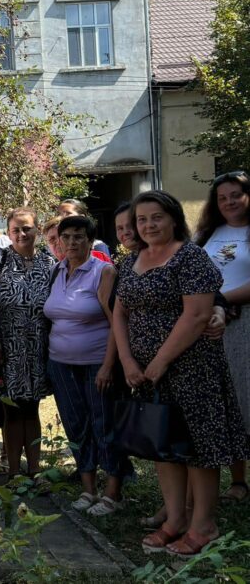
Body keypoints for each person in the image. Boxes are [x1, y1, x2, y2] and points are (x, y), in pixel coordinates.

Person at [113, 190, 249, 557]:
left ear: (173, 218)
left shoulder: (192, 258)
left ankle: (203, 525)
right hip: (144, 371)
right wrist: (127, 361)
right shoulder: (131, 261)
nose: (148, 225)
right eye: (142, 220)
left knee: (198, 449)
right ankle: (174, 520)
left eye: (156, 217)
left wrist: (159, 363)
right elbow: (120, 312)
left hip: (192, 368)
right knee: (164, 445)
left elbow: (198, 315)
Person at [42, 215, 130, 515]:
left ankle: (113, 492)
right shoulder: (56, 271)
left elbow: (116, 322)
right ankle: (88, 488)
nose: (71, 243)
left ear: (91, 241)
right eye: (65, 237)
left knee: (104, 424)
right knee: (76, 426)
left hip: (96, 363)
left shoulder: (103, 271)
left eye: (79, 237)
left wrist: (108, 365)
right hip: (61, 364)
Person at [0, 208, 56, 481]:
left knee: (33, 408)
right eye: (15, 229)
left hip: (39, 347)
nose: (21, 234)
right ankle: (14, 470)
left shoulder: (50, 263)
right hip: (6, 349)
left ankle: (35, 468)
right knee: (11, 409)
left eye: (26, 228)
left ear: (37, 229)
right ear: (7, 233)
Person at [195, 170, 250, 503]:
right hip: (211, 328)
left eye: (236, 195)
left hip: (244, 324)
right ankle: (238, 481)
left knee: (247, 396)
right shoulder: (206, 234)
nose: (229, 202)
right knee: (227, 403)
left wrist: (222, 300)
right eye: (222, 197)